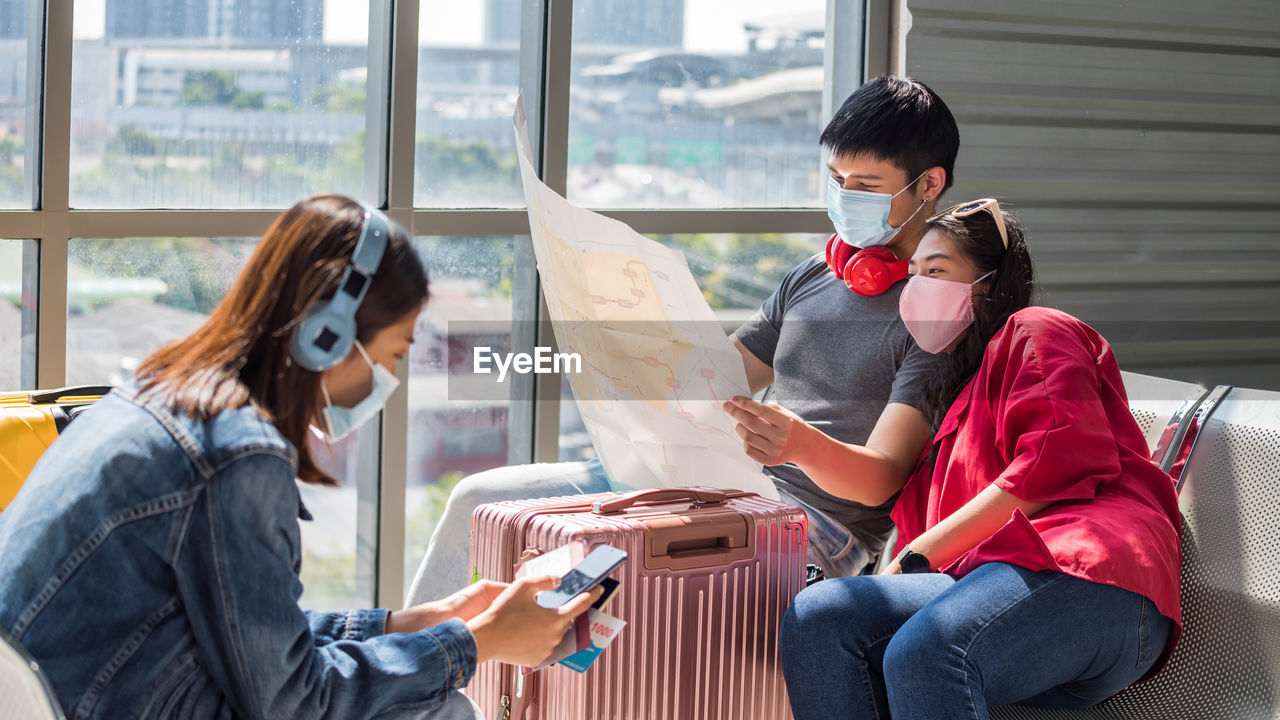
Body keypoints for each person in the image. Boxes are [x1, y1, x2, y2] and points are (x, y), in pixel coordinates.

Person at [0, 195, 600, 720]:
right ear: (327, 335)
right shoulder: (234, 455)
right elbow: (293, 704)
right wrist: (477, 642)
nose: (390, 378)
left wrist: (411, 624)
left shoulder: (155, 396)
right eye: (393, 354)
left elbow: (246, 640)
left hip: (76, 697)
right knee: (435, 709)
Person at [407, 76, 957, 605]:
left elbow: (882, 479)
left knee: (614, 579)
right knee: (479, 499)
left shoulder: (938, 313)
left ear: (929, 185)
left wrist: (803, 446)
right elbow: (720, 378)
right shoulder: (813, 275)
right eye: (836, 180)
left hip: (813, 526)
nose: (844, 197)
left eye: (865, 186)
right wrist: (635, 355)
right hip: (718, 480)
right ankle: (418, 690)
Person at [774, 199, 1182, 719]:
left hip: (1094, 574)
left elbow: (1051, 467)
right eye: (914, 272)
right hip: (994, 589)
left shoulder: (1038, 329)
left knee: (928, 649)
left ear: (990, 283)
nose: (918, 286)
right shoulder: (955, 405)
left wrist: (912, 558)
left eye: (937, 270)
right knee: (820, 616)